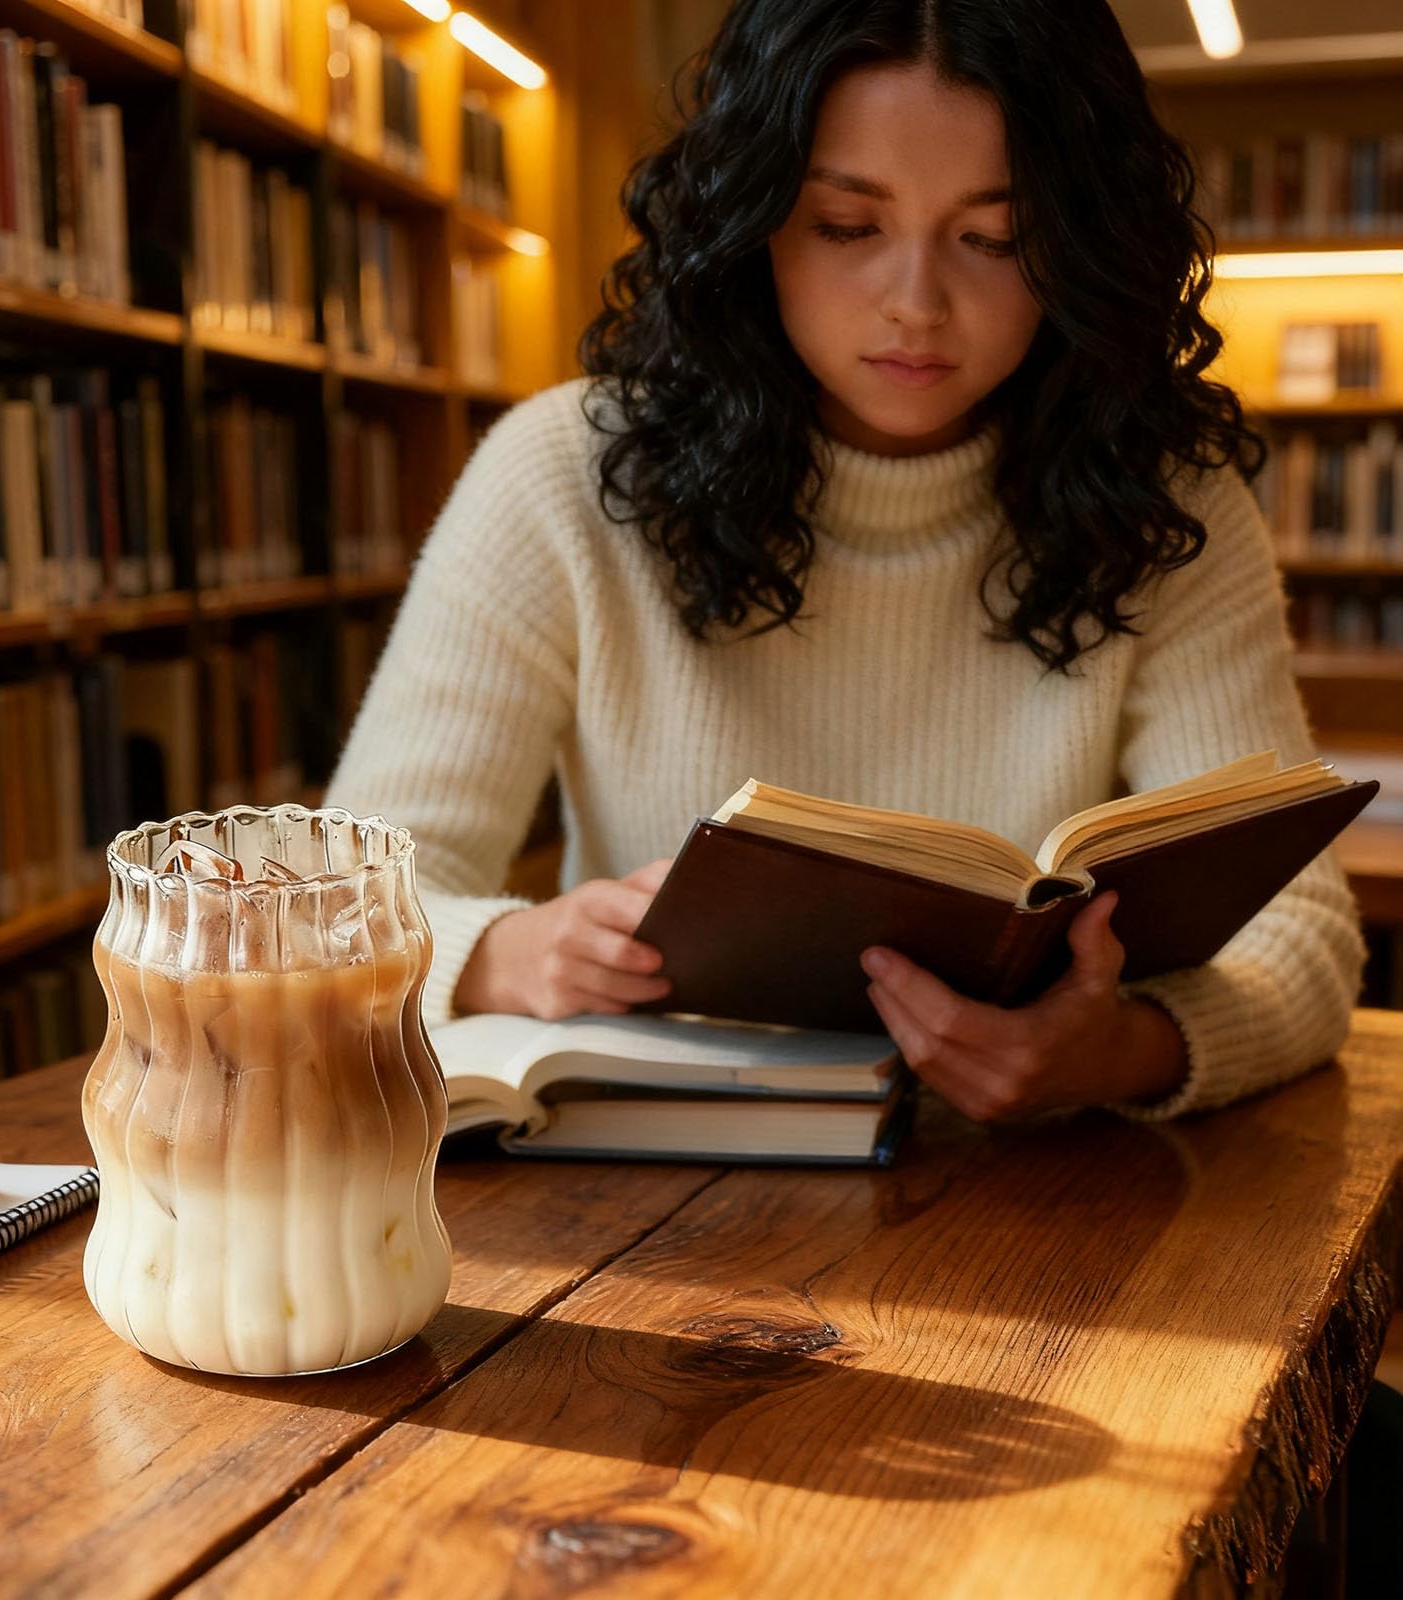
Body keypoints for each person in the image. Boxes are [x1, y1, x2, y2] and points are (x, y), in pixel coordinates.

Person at [326, 0, 1363, 1125]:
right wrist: (500, 951)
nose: (916, 304)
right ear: (752, 221)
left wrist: (1122, 1050)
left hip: (1032, 1207)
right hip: (649, 1190)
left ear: (1080, 245)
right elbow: (338, 903)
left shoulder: (1164, 505)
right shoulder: (563, 473)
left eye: (995, 239)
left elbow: (1303, 936)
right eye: (844, 225)